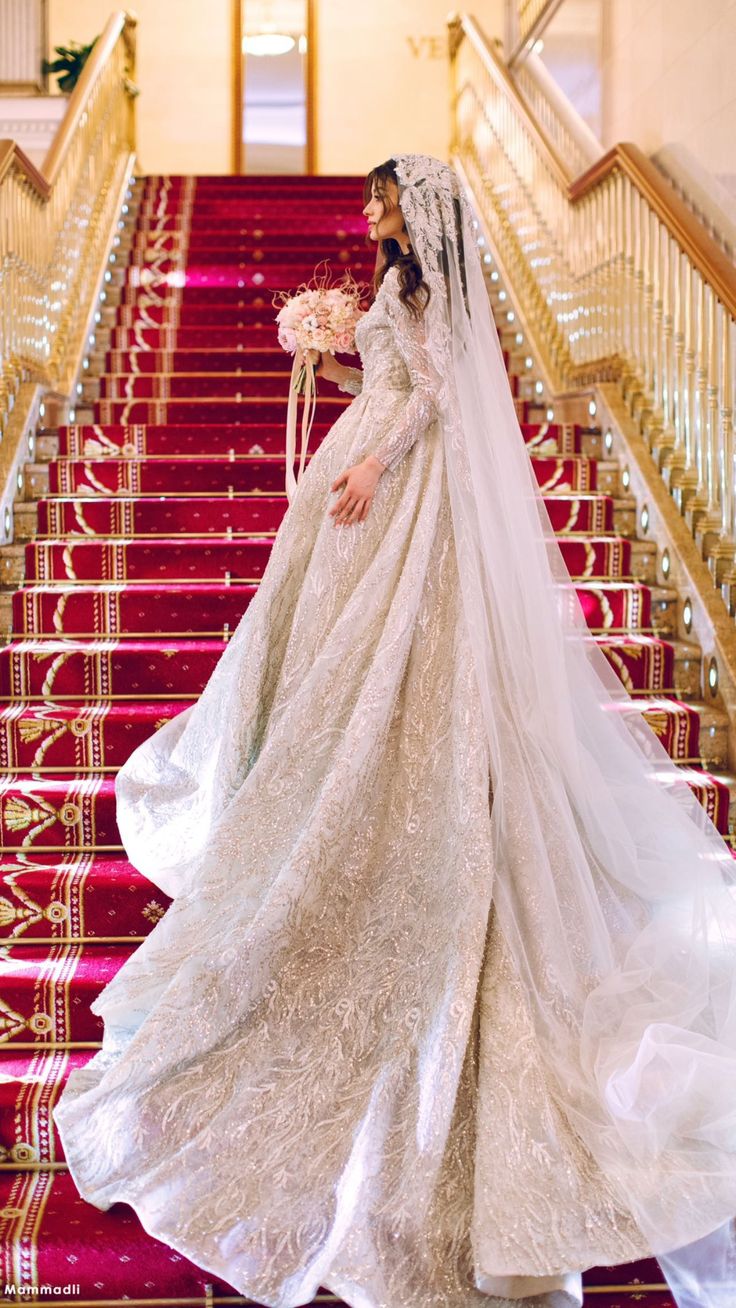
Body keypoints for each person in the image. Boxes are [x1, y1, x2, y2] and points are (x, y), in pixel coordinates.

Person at [53, 154, 736, 1308]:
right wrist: (326, 349)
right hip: (365, 473)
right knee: (325, 664)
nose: (367, 214)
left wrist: (370, 455)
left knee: (394, 680)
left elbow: (432, 395)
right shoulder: (399, 287)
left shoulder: (429, 292)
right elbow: (393, 374)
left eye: (380, 201)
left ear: (416, 211)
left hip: (395, 484)